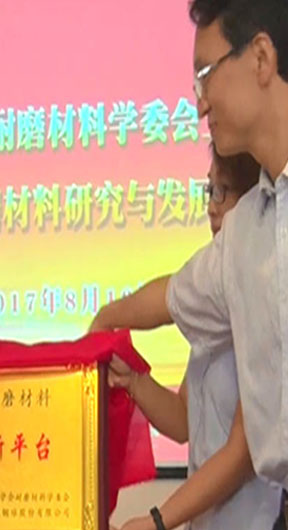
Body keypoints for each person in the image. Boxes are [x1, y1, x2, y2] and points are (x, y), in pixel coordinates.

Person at [93, 145, 282, 529]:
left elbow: (242, 454)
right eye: (209, 190)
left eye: (223, 191)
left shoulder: (265, 297)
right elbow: (183, 421)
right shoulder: (217, 299)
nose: (212, 206)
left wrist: (159, 521)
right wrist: (134, 381)